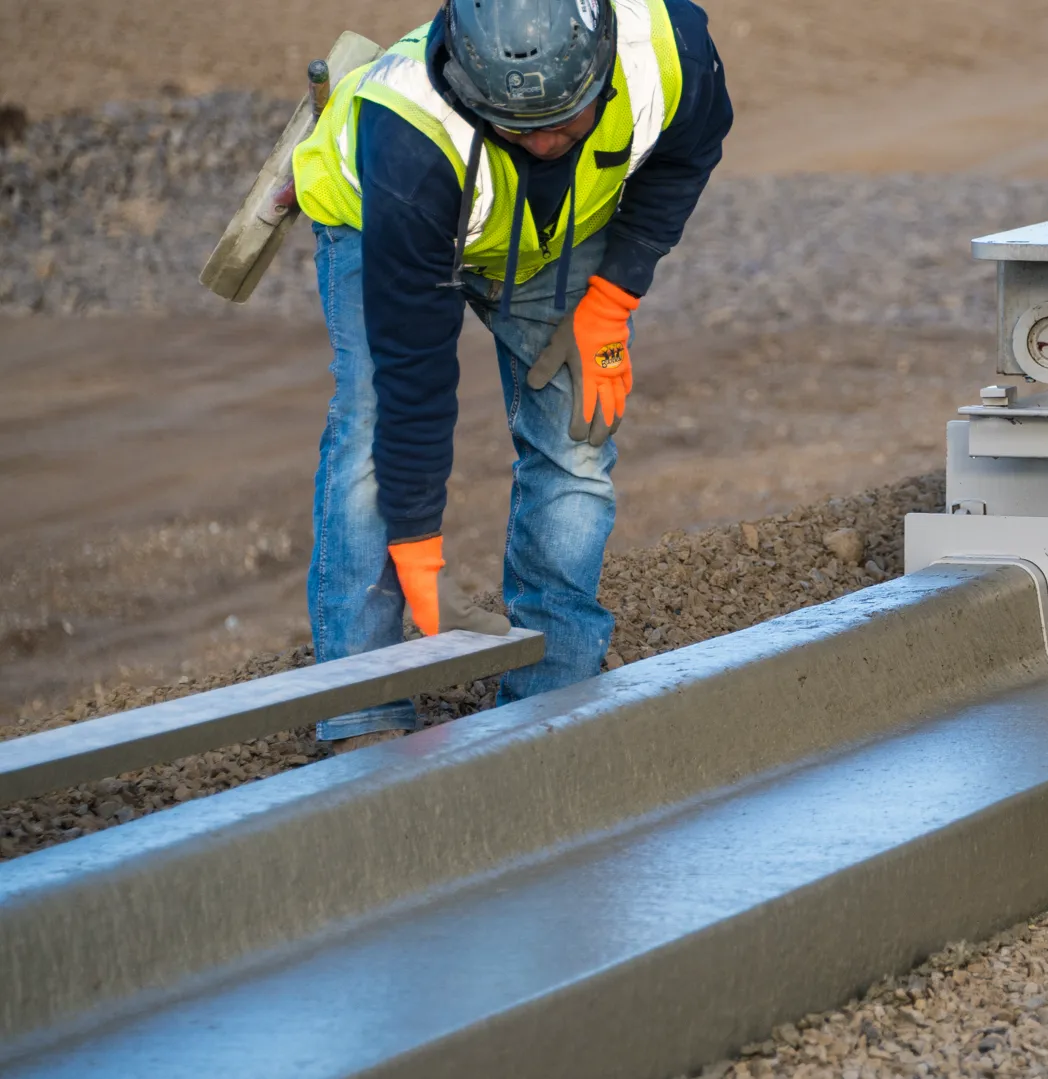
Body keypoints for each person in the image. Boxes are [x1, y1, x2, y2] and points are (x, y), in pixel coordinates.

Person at [291, 0, 731, 750]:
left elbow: (689, 152)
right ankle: (364, 708)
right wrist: (418, 548)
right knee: (369, 434)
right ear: (471, 92)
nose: (548, 141)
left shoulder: (669, 52)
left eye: (566, 118)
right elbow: (414, 379)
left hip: (551, 234)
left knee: (576, 439)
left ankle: (552, 694)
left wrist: (613, 298)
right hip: (381, 220)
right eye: (521, 127)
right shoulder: (410, 141)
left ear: (601, 65)